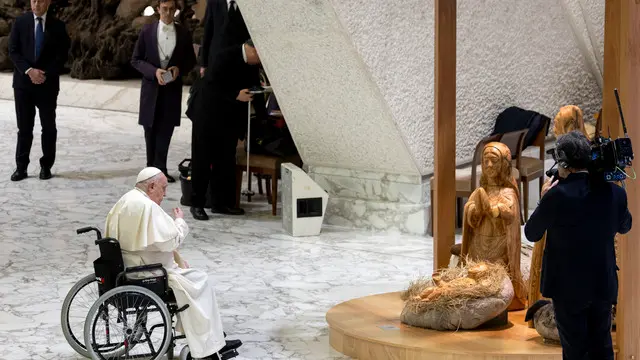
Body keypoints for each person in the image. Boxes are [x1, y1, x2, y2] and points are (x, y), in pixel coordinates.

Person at [105, 167, 241, 359]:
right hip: (150, 273)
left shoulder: (125, 200)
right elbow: (171, 240)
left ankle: (213, 339)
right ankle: (208, 346)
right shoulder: (147, 207)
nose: (165, 193)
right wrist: (179, 221)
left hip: (131, 266)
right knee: (200, 281)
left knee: (193, 279)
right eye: (163, 188)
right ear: (152, 186)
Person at [524, 131, 632, 360]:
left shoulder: (556, 196)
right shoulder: (615, 193)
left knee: (574, 349)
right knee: (602, 347)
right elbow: (625, 226)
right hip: (602, 283)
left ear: (563, 163)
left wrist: (543, 198)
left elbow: (532, 232)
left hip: (568, 288)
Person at [189, 0, 262, 220]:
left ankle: (221, 202)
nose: (257, 60)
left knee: (225, 153)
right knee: (203, 155)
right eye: (255, 56)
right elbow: (211, 82)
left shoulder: (246, 62)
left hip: (230, 103)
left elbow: (250, 78)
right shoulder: (219, 57)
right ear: (248, 51)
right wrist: (235, 95)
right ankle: (197, 203)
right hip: (207, 107)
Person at [131, 0, 196, 183]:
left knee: (166, 131)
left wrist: (178, 69)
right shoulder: (146, 31)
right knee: (150, 130)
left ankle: (161, 169)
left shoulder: (183, 33)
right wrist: (154, 72)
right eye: (164, 9)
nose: (167, 13)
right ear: (158, 9)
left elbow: (190, 61)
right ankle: (150, 170)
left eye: (171, 10)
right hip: (151, 90)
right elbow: (136, 60)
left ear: (175, 10)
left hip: (172, 90)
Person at [8, 0, 70, 181]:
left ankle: (46, 166)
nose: (36, 4)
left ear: (48, 2)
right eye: (33, 0)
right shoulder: (20, 23)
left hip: (47, 84)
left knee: (49, 128)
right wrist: (29, 71)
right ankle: (21, 168)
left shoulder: (58, 26)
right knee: (24, 128)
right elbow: (13, 51)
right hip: (23, 84)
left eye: (40, 0)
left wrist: (44, 74)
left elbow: (62, 55)